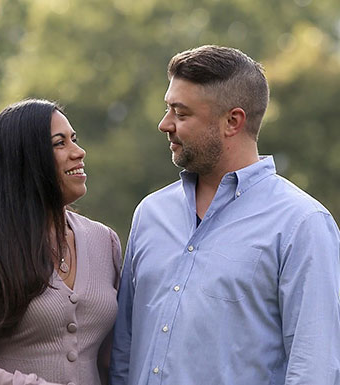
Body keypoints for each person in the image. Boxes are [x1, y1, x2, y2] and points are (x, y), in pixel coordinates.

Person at [109, 45, 340, 385]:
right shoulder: (150, 214)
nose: (164, 124)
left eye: (181, 113)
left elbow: (314, 368)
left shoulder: (302, 225)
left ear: (233, 121)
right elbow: (123, 353)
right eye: (167, 108)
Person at [0, 99, 121, 385]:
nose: (79, 152)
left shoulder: (105, 241)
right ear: (26, 159)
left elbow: (113, 359)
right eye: (60, 143)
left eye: (74, 139)